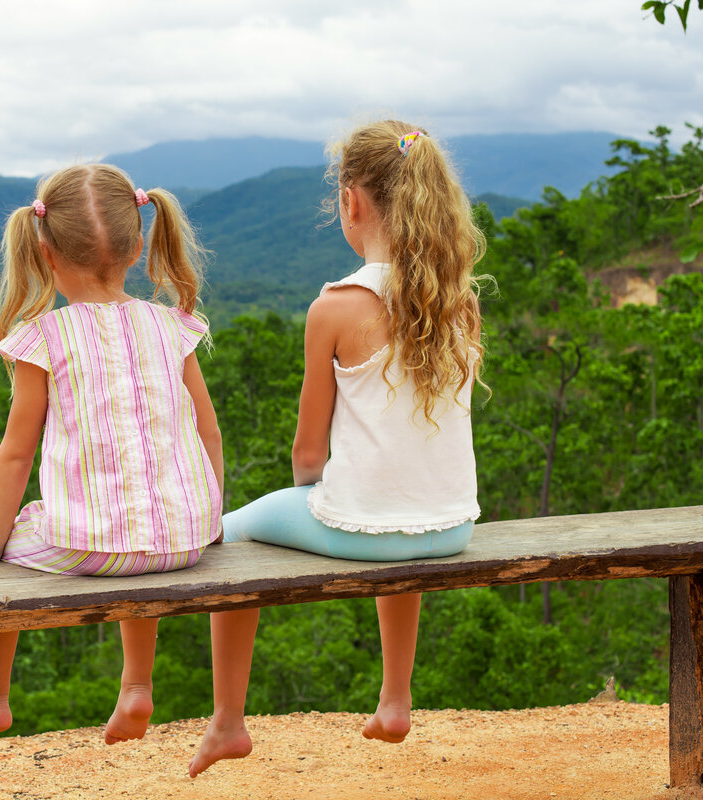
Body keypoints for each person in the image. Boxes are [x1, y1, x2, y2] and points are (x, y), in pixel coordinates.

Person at [189, 120, 487, 777]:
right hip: (453, 525)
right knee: (388, 501)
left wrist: (310, 495)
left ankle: (228, 722)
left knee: (225, 535)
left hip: (369, 529)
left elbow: (307, 454)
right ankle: (395, 698)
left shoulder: (336, 306)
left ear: (351, 201)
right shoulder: (456, 299)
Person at [0, 164, 224, 747]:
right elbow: (207, 429)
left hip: (93, 548)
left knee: (8, 543)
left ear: (44, 251)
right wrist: (211, 523)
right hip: (184, 542)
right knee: (136, 518)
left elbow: (16, 454)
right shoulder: (173, 325)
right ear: (140, 243)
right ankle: (137, 687)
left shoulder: (43, 337)